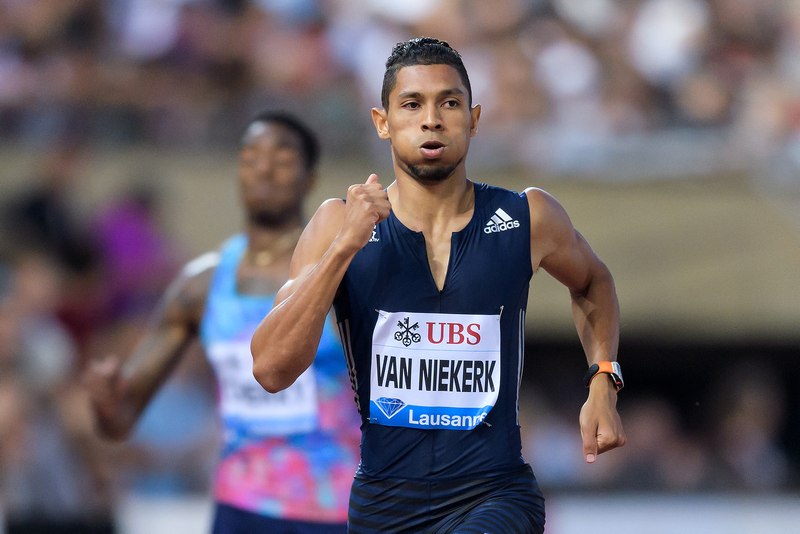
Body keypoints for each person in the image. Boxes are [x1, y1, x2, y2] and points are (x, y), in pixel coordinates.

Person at [251, 37, 626, 533]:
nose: (432, 119)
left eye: (449, 103)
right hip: (384, 506)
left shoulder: (526, 217)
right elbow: (272, 369)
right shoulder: (336, 225)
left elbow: (593, 280)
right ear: (382, 123)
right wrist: (344, 248)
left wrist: (604, 379)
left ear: (472, 119)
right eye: (412, 104)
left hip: (495, 496)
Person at [84, 110, 361, 534]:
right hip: (239, 506)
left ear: (309, 179)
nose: (264, 168)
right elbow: (121, 419)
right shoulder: (201, 285)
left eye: (282, 159)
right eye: (251, 158)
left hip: (332, 508)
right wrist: (105, 404)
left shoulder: (342, 275)